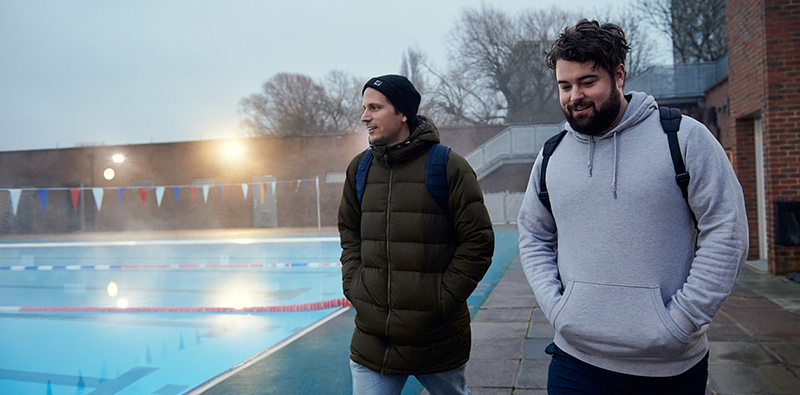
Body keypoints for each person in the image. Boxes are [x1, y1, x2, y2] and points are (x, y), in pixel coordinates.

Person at [517, 20, 749, 394]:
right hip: (575, 362)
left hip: (667, 368)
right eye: (565, 85)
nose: (574, 95)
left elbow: (727, 228)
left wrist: (682, 321)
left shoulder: (683, 137)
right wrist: (557, 307)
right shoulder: (551, 155)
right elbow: (533, 233)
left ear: (619, 75)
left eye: (587, 82)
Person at [338, 74, 494, 395]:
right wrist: (355, 286)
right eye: (364, 108)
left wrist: (440, 299)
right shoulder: (360, 169)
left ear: (403, 113)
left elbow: (478, 242)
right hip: (373, 339)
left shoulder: (448, 166)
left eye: (374, 107)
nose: (364, 116)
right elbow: (349, 233)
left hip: (436, 337)